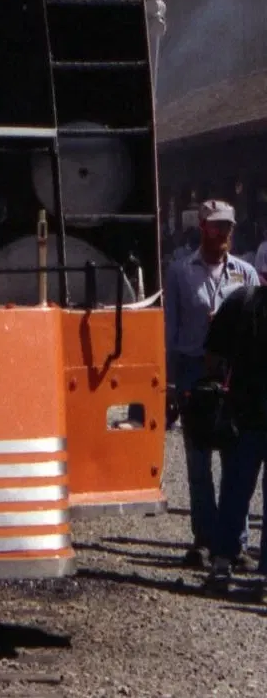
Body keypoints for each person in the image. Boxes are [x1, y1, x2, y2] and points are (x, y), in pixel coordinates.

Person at [164, 199, 258, 566]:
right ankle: (204, 538)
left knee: (238, 461)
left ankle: (235, 541)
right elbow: (170, 331)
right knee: (199, 461)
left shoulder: (245, 274)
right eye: (216, 227)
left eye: (228, 228)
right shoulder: (179, 272)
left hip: (235, 374)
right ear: (202, 227)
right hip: (193, 369)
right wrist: (170, 385)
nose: (223, 234)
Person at [203, 284, 267, 594]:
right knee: (237, 488)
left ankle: (222, 562)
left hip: (244, 415)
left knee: (235, 489)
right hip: (248, 416)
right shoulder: (242, 301)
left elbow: (213, 356)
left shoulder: (241, 300)